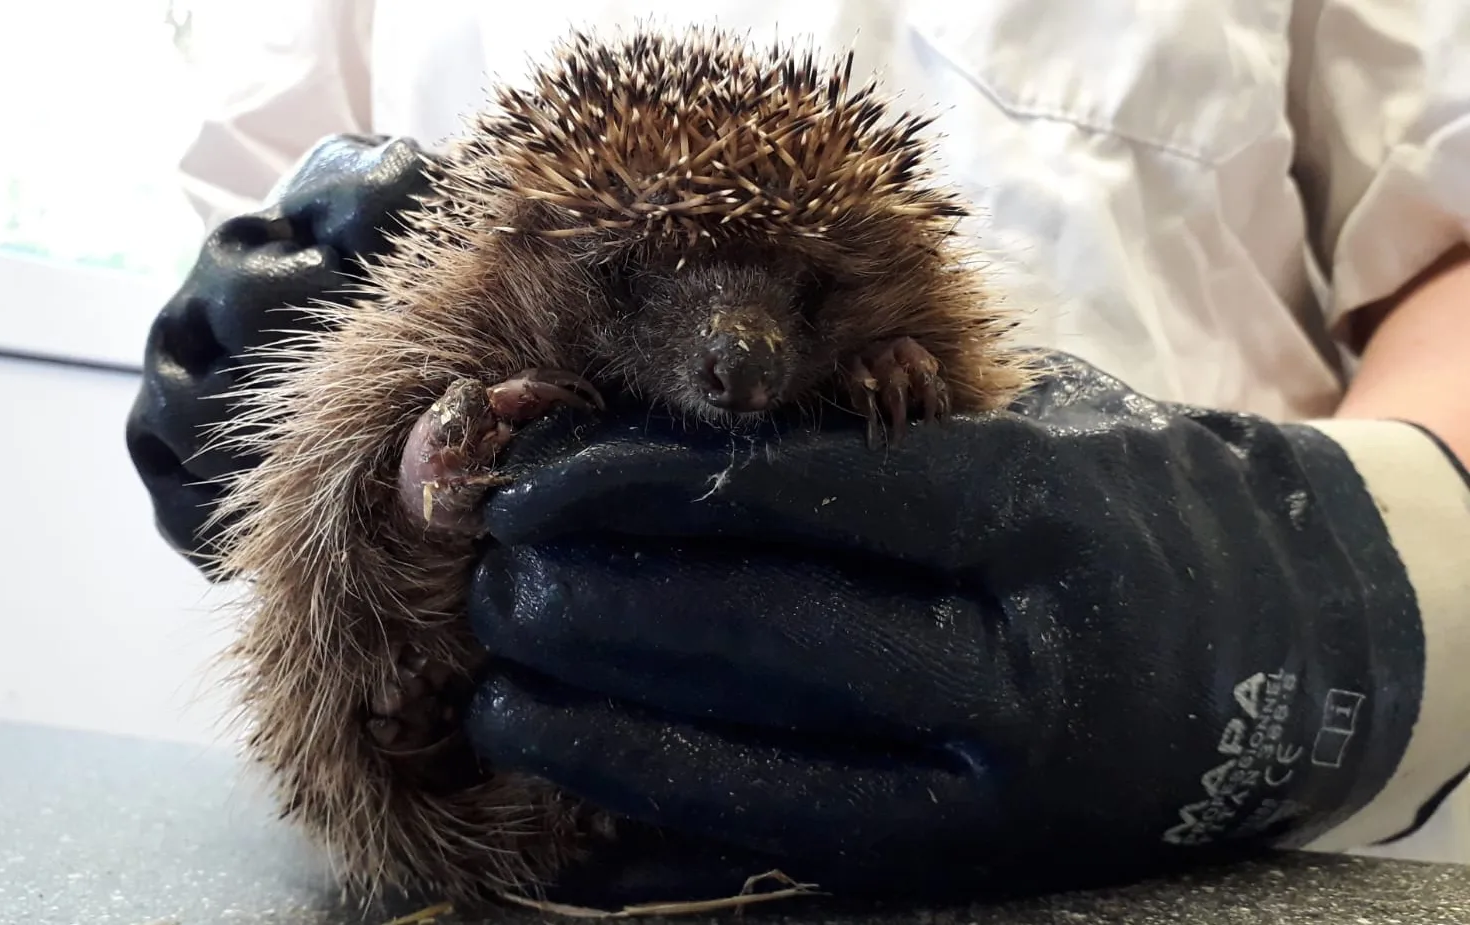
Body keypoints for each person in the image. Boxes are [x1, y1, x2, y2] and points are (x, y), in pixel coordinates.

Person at [125, 0, 1470, 906]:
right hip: (498, 863)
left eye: (803, 301)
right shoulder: (498, 278)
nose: (739, 357)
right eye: (661, 287)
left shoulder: (904, 305)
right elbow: (282, 210)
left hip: (1154, 852)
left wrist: (1321, 583)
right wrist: (293, 441)